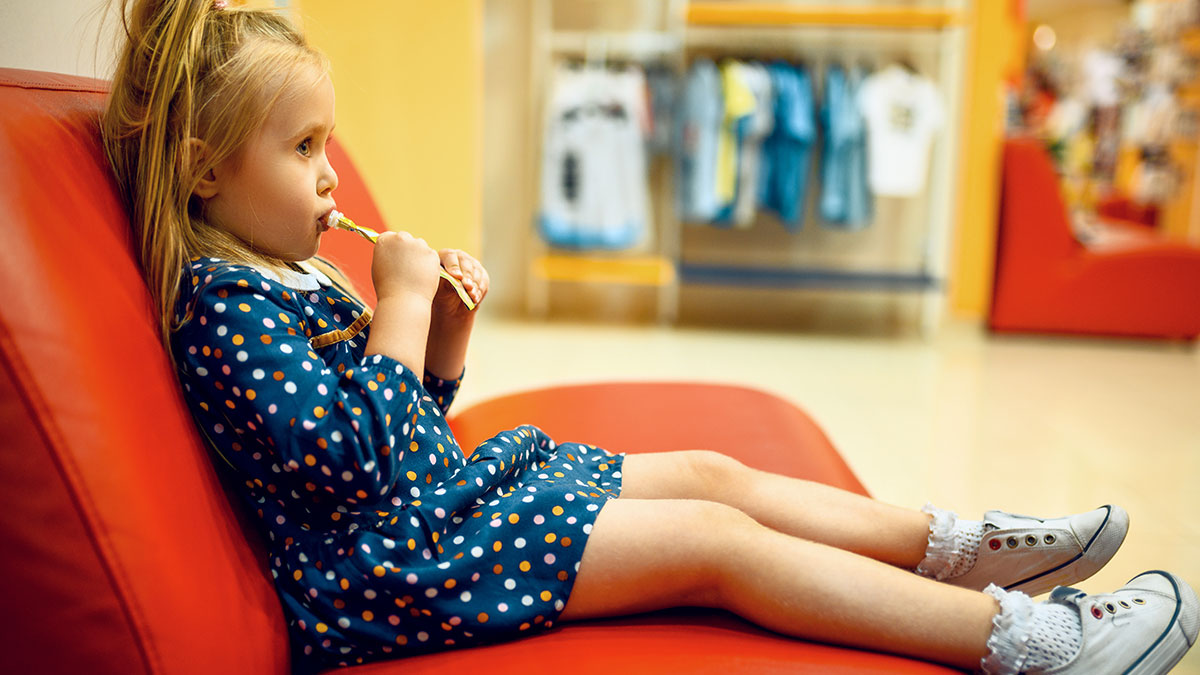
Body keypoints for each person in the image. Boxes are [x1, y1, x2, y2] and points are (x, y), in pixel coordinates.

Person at [100, 2, 1199, 673]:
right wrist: (393, 308)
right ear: (204, 171)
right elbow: (349, 474)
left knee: (715, 474)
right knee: (714, 548)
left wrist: (442, 340)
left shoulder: (282, 276)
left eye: (325, 141)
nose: (331, 173)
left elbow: (401, 441)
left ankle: (955, 546)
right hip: (385, 580)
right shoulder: (223, 311)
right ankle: (1034, 644)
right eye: (302, 148)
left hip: (435, 515)